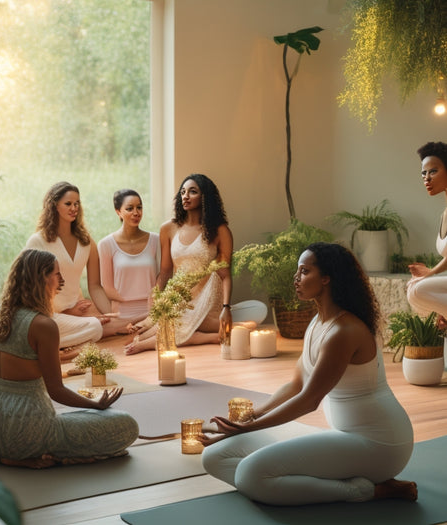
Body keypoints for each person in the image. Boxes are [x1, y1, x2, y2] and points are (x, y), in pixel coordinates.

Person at [200, 242, 417, 506]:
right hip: (341, 436)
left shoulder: (344, 332)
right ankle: (299, 484)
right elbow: (296, 384)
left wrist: (247, 428)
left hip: (379, 444)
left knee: (249, 473)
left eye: (304, 271)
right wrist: (252, 415)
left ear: (326, 278)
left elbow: (309, 400)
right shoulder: (317, 322)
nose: (296, 278)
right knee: (213, 456)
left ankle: (366, 490)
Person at [0, 249, 139, 468]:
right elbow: (56, 390)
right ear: (42, 279)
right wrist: (96, 405)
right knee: (125, 424)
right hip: (26, 426)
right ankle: (25, 454)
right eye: (57, 274)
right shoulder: (42, 325)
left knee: (72, 420)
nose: (61, 280)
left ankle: (11, 455)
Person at [124, 173, 267, 355]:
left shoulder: (219, 231)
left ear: (204, 197)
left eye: (192, 192)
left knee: (168, 324)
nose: (185, 196)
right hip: (180, 297)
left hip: (207, 296)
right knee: (146, 329)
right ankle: (219, 332)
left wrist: (226, 308)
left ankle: (151, 344)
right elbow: (166, 271)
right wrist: (156, 297)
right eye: (183, 192)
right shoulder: (168, 228)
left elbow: (224, 274)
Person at [25, 182, 133, 360]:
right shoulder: (38, 241)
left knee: (114, 322)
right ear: (54, 205)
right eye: (68, 204)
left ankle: (68, 344)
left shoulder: (86, 241)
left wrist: (109, 314)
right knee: (43, 328)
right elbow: (29, 291)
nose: (74, 208)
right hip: (46, 314)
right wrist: (66, 313)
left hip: (78, 311)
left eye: (77, 203)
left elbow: (95, 286)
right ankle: (74, 342)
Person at [97, 189, 160, 321]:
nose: (136, 213)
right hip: (122, 313)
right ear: (118, 212)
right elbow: (107, 287)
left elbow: (162, 276)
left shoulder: (156, 240)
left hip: (152, 311)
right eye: (130, 208)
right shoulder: (106, 244)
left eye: (139, 208)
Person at [407, 141, 447, 320]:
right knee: (414, 287)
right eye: (424, 173)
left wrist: (430, 272)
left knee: (418, 289)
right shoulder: (444, 214)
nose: (427, 178)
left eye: (433, 171)